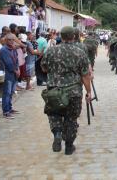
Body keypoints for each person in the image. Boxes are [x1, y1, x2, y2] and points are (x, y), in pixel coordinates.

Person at [41, 26, 92, 155]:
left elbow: (44, 68)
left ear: (61, 37)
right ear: (74, 36)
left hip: (54, 90)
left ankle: (57, 133)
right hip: (73, 92)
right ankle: (69, 146)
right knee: (71, 119)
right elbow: (85, 74)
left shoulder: (51, 51)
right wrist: (88, 91)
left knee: (54, 115)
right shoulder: (79, 52)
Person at [0, 33, 19, 119]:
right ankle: (6, 111)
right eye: (9, 40)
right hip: (8, 73)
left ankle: (10, 108)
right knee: (6, 92)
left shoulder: (13, 49)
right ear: (6, 40)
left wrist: (17, 69)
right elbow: (8, 63)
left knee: (11, 92)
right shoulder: (4, 50)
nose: (11, 41)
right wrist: (15, 70)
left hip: (14, 73)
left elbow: (16, 59)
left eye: (13, 40)